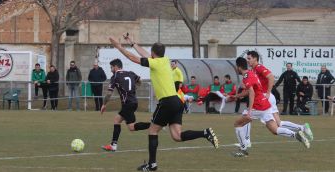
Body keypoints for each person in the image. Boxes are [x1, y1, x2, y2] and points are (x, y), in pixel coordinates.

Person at [110, 35, 218, 171]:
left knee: (153, 131)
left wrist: (118, 47)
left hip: (167, 102)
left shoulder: (155, 63)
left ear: (153, 53)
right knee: (177, 136)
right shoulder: (164, 61)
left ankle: (152, 164)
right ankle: (205, 133)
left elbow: (134, 58)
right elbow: (145, 55)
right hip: (177, 102)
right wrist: (133, 43)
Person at [231, 57, 310, 157]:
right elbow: (249, 91)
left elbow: (251, 92)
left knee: (238, 124)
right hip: (265, 105)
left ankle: (243, 150)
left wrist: (250, 110)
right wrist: (236, 96)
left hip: (257, 106)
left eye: (236, 67)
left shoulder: (246, 76)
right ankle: (296, 134)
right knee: (275, 130)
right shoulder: (252, 73)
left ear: (238, 67)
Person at [100, 59, 151, 151]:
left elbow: (108, 94)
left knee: (125, 124)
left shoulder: (115, 76)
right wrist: (134, 87)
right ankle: (113, 145)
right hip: (133, 102)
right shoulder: (130, 73)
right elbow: (140, 81)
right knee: (124, 123)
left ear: (116, 67)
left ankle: (154, 125)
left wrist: (104, 104)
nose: (111, 69)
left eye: (111, 67)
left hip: (127, 103)